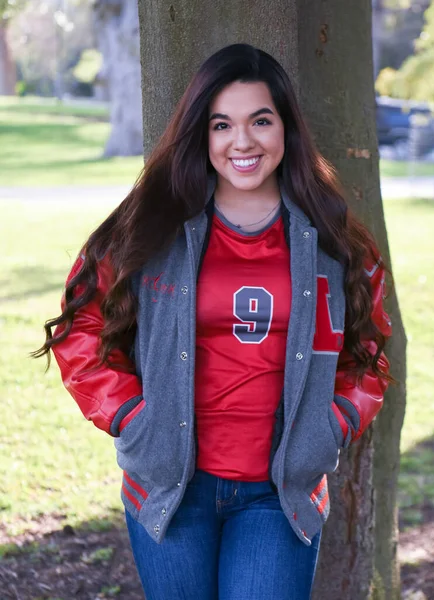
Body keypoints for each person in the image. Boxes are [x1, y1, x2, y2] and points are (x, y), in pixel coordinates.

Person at [34, 43, 393, 600]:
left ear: (286, 129)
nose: (242, 141)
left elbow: (370, 351)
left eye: (260, 121)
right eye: (222, 124)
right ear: (202, 133)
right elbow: (82, 327)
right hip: (171, 487)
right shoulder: (151, 225)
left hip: (279, 495)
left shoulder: (332, 239)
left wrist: (335, 423)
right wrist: (131, 416)